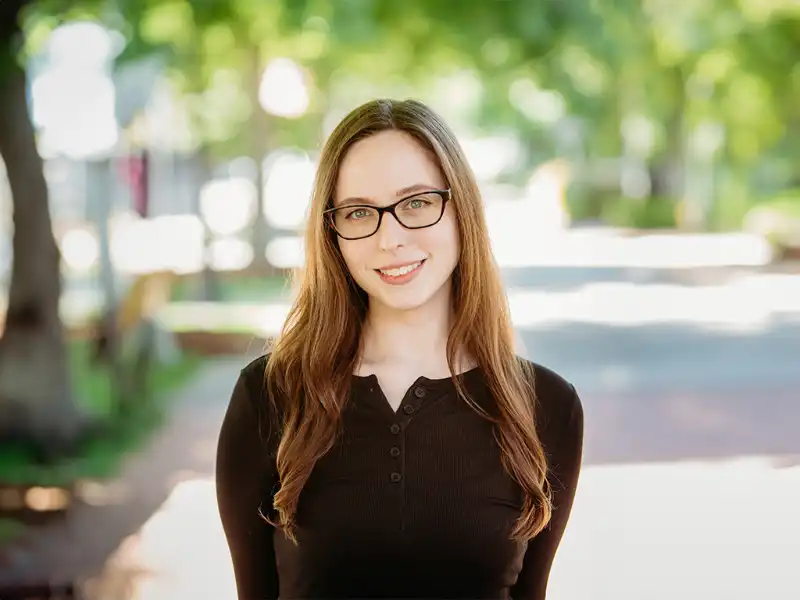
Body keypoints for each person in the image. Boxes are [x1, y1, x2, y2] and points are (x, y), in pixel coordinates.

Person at [215, 98, 584, 599]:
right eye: (360, 211)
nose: (390, 237)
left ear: (462, 210)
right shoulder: (270, 397)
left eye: (417, 203)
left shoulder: (546, 406)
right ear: (333, 234)